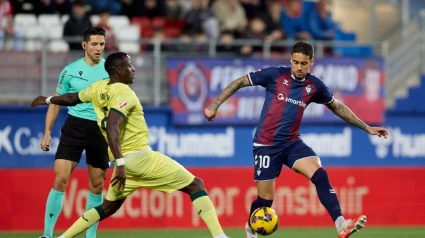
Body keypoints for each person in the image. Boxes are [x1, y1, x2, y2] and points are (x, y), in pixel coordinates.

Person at [31, 52, 229, 238]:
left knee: (107, 207)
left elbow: (72, 98)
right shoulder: (125, 93)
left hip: (124, 163)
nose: (133, 69)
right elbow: (111, 126)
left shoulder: (98, 88)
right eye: (129, 65)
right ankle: (220, 236)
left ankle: (63, 237)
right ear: (118, 71)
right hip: (139, 159)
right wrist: (121, 164)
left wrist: (48, 99)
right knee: (196, 185)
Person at [204, 41, 389, 238]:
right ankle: (251, 228)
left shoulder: (314, 85)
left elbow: (337, 107)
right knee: (265, 201)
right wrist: (215, 105)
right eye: (295, 62)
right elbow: (240, 81)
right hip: (266, 145)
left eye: (303, 63)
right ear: (291, 59)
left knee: (320, 174)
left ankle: (341, 223)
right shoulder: (275, 75)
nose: (299, 67)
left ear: (311, 62)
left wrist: (367, 127)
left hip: (292, 143)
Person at [39, 27, 110, 238]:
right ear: (84, 45)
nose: (98, 48)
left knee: (97, 185)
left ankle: (90, 236)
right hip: (75, 126)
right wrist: (47, 133)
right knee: (60, 178)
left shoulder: (111, 71)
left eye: (102, 44)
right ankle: (47, 235)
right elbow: (55, 102)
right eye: (95, 44)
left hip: (99, 128)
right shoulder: (69, 71)